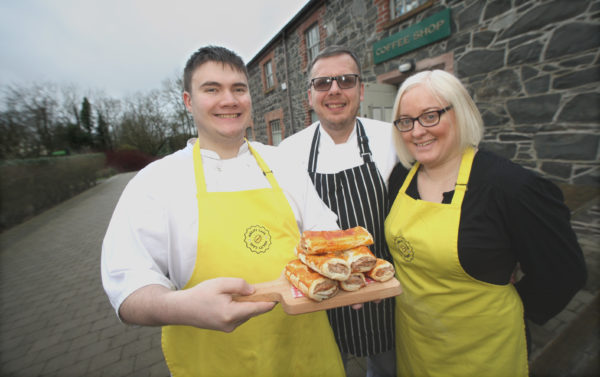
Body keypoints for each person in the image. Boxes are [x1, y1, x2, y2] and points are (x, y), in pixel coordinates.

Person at [101, 46, 346, 377]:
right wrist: (181, 306)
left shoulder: (284, 163)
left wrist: (349, 274)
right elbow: (127, 286)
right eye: (212, 89)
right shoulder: (155, 183)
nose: (229, 100)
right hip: (215, 363)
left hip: (306, 356)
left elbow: (324, 235)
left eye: (239, 89)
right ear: (189, 101)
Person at [384, 69, 587, 377]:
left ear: (460, 112)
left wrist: (515, 307)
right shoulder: (400, 177)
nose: (416, 132)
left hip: (483, 349)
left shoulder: (510, 187)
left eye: (430, 116)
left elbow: (564, 272)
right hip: (416, 340)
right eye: (406, 121)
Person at [278, 45, 397, 377]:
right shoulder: (288, 152)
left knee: (388, 368)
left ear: (360, 90)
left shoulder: (390, 139)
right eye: (323, 83)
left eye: (345, 80)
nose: (334, 90)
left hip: (381, 290)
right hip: (321, 293)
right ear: (310, 96)